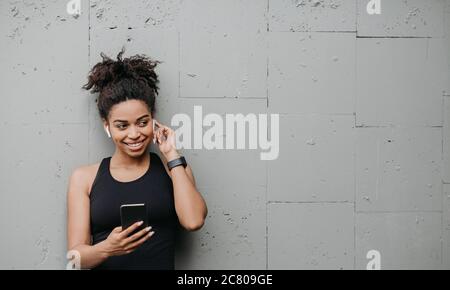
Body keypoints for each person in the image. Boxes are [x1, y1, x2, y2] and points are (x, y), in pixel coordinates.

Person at [66, 49, 207, 269]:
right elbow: (74, 261)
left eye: (142, 122)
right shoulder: (84, 178)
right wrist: (107, 247)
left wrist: (170, 153)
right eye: (122, 126)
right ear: (107, 126)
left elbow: (193, 221)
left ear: (153, 119)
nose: (134, 134)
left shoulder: (173, 167)